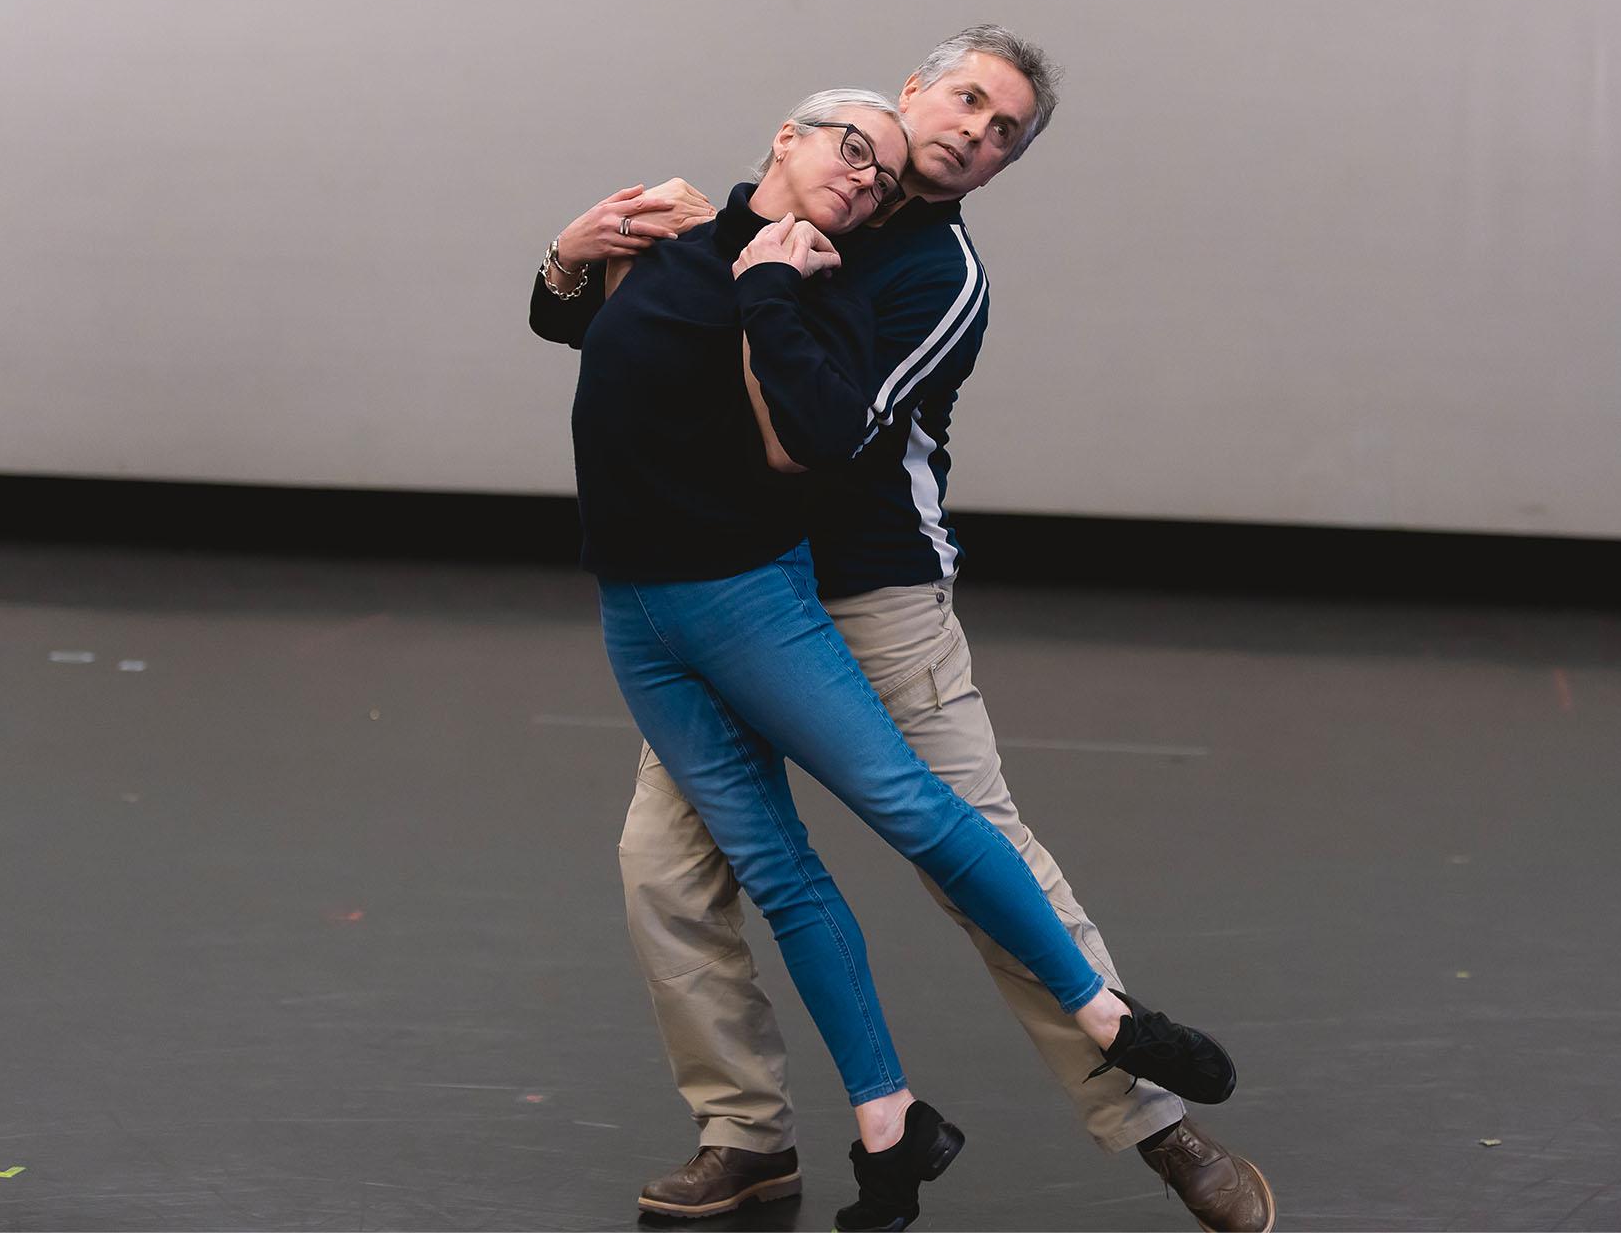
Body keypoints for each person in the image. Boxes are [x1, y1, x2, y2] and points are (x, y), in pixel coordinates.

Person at [530, 85, 1239, 1233]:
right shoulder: (705, 226)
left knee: (950, 825)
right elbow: (594, 335)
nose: (973, 134)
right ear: (797, 132)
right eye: (962, 104)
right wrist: (571, 255)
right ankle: (790, 1132)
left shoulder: (887, 277)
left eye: (1005, 131)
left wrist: (772, 283)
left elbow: (814, 439)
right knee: (684, 871)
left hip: (844, 591)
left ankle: (1145, 1092)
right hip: (651, 609)